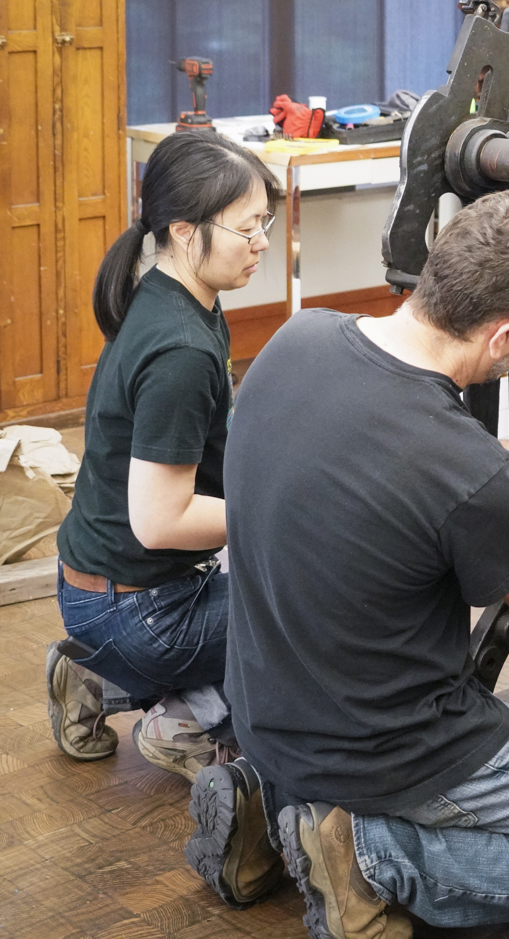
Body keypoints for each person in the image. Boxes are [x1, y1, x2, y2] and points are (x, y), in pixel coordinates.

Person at [184, 190, 509, 936]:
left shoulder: (296, 340)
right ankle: (370, 849)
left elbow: (395, 458)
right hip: (393, 750)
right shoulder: (466, 472)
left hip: (266, 714)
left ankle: (271, 799)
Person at [48, 129, 280, 784]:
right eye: (247, 228)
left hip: (102, 588)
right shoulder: (181, 350)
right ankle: (184, 720)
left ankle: (93, 666)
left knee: (268, 553)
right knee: (317, 597)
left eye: (265, 220)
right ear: (183, 231)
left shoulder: (174, 295)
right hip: (137, 611)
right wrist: (274, 514)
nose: (262, 240)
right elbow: (158, 522)